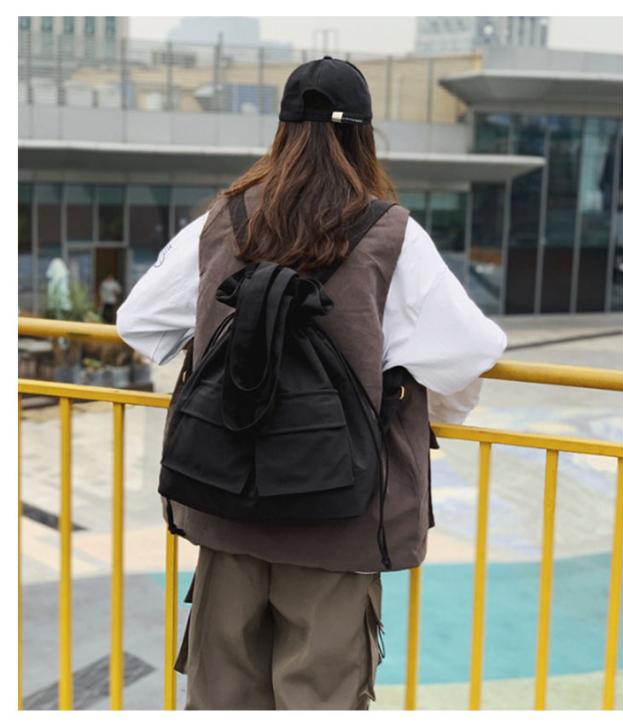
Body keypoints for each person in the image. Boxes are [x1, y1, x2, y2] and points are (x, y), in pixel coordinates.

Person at [117, 56, 507, 710]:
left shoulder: (225, 219)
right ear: (363, 136)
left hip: (225, 504)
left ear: (282, 131)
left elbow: (139, 322)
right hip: (337, 520)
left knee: (220, 696)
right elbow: (473, 350)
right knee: (321, 697)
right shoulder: (389, 234)